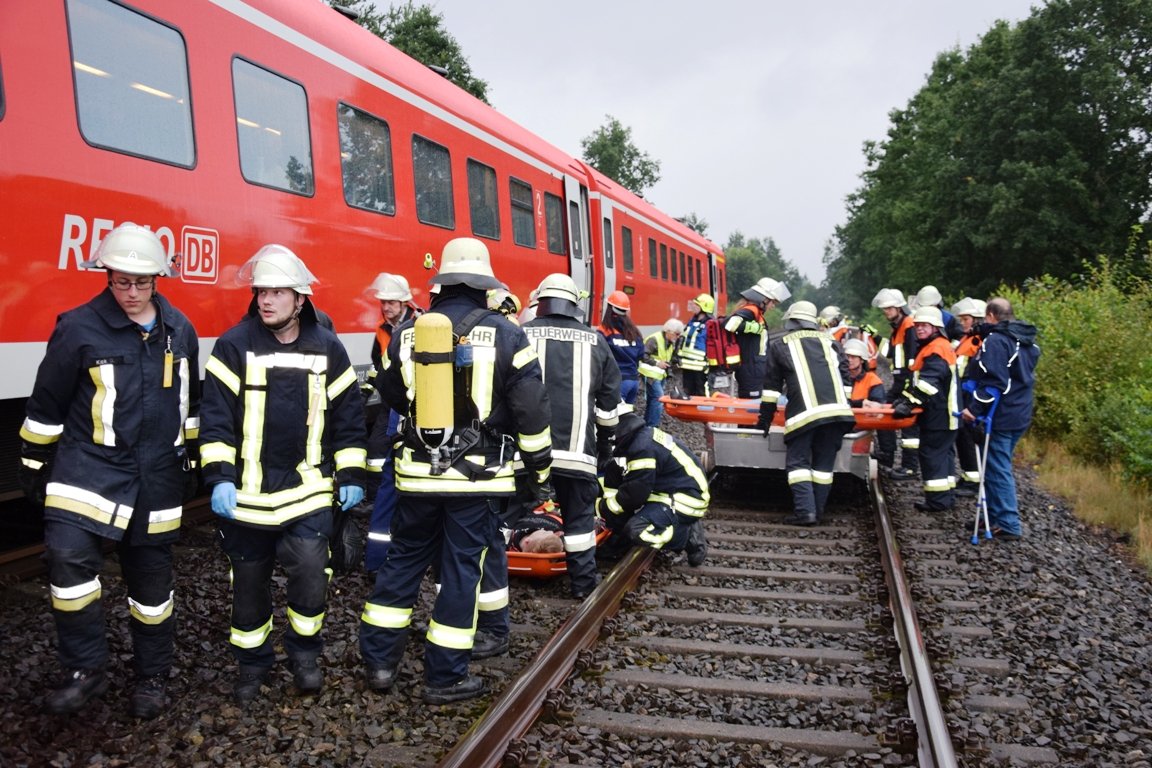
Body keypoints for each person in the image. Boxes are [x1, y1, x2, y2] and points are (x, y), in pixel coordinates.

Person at [360, 237, 554, 705]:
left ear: (442, 283)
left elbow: (390, 391)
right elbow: (531, 409)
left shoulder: (408, 333)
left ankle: (380, 662)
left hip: (416, 476)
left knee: (404, 560)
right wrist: (538, 468)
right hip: (477, 478)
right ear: (484, 286)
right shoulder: (508, 334)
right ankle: (444, 676)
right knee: (463, 569)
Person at [18, 223, 200, 718]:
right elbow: (46, 404)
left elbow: (189, 405)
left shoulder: (179, 330)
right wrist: (33, 465)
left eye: (141, 283)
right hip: (88, 470)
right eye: (122, 282)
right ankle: (85, 669)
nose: (132, 293)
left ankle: (152, 677)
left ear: (157, 280)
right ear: (107, 276)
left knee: (152, 589)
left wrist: (192, 460)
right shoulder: (78, 328)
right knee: (67, 562)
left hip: (157, 477)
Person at [199, 244, 367, 705]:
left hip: (306, 493)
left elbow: (349, 420)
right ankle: (252, 665)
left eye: (276, 292)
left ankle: (304, 656)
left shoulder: (327, 347)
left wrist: (352, 473)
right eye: (261, 292)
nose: (266, 300)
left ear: (300, 298)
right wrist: (219, 477)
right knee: (247, 590)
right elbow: (215, 419)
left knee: (311, 576)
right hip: (247, 496)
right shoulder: (233, 345)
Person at [522, 273, 620, 598]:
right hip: (578, 453)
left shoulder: (521, 334)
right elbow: (608, 407)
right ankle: (583, 586)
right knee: (578, 522)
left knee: (506, 515)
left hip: (525, 452)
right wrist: (604, 447)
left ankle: (493, 580)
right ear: (574, 305)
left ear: (540, 302)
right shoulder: (596, 341)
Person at [757, 301, 856, 526]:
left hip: (804, 415)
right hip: (838, 414)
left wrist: (765, 419)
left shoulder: (780, 345)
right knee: (823, 467)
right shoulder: (832, 342)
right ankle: (817, 512)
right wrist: (845, 406)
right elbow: (846, 381)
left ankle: (805, 512)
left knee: (797, 464)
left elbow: (771, 389)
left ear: (792, 321)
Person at [960, 298, 1039, 540]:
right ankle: (993, 516)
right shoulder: (1026, 340)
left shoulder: (997, 341)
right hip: (1021, 411)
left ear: (991, 316)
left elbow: (995, 381)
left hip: (1002, 414)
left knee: (997, 467)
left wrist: (974, 409)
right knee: (993, 464)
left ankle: (1008, 522)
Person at [364, 273, 423, 571]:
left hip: (413, 407)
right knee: (379, 456)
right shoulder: (382, 330)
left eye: (391, 302)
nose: (386, 308)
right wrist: (369, 389)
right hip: (393, 403)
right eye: (383, 303)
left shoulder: (421, 324)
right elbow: (379, 365)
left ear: (404, 303)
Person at [599, 411, 709, 565]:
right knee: (625, 523)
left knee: (637, 531)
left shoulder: (642, 448)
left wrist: (602, 507)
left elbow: (634, 495)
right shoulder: (630, 442)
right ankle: (623, 541)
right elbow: (616, 489)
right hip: (664, 492)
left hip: (688, 497)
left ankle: (685, 535)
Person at [891, 306, 959, 512]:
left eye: (925, 325)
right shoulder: (935, 346)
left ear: (936, 327)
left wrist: (908, 404)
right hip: (945, 413)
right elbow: (919, 380)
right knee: (944, 455)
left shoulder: (936, 350)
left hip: (940, 414)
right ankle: (946, 496)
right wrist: (904, 398)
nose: (920, 329)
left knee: (932, 455)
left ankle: (937, 501)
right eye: (918, 325)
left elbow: (928, 384)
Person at [872, 288, 920, 479]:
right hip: (900, 382)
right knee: (884, 413)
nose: (886, 312)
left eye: (889, 308)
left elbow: (913, 357)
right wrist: (875, 336)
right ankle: (887, 455)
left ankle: (909, 467)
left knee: (909, 426)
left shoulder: (909, 326)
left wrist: (910, 385)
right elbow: (890, 352)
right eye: (884, 309)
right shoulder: (897, 328)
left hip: (907, 382)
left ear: (899, 308)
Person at [724, 278, 790, 398]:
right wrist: (754, 327)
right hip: (751, 368)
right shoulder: (751, 310)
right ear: (764, 299)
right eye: (772, 302)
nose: (773, 306)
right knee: (750, 402)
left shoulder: (757, 313)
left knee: (755, 400)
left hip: (755, 367)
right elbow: (730, 324)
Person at [950, 297, 987, 497]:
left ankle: (973, 482)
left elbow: (973, 374)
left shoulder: (978, 341)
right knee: (962, 439)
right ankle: (968, 476)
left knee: (968, 438)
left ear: (977, 320)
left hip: (970, 398)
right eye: (961, 319)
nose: (962, 323)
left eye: (966, 319)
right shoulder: (967, 339)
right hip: (962, 395)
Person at [598, 290, 645, 405]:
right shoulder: (634, 332)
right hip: (633, 382)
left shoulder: (604, 331)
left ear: (609, 308)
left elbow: (598, 356)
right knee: (627, 414)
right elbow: (641, 355)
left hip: (617, 382)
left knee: (614, 414)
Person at [639, 318, 684, 427]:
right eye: (677, 334)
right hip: (650, 374)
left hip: (659, 374)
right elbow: (643, 355)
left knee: (652, 400)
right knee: (659, 399)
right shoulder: (654, 339)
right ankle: (652, 426)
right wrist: (657, 363)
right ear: (668, 331)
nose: (678, 337)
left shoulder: (669, 341)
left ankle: (647, 425)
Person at [678, 294, 713, 397]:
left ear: (704, 307)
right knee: (688, 392)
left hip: (700, 366)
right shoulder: (692, 321)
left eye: (697, 305)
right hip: (687, 364)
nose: (693, 306)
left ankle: (703, 407)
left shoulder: (710, 324)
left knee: (701, 392)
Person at [844, 338, 886, 408]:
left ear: (862, 360)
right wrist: (859, 403)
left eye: (853, 357)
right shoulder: (839, 379)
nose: (849, 360)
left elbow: (877, 406)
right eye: (847, 356)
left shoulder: (872, 380)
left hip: (865, 415)